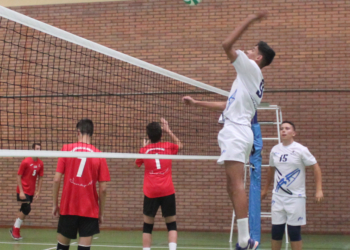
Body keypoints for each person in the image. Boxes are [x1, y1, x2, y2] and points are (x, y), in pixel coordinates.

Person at [182, 11, 275, 250]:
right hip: (236, 131)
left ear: (259, 57)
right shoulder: (246, 79)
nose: (248, 51)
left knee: (236, 185)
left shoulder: (252, 70)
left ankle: (245, 241)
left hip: (237, 132)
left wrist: (251, 18)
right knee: (231, 186)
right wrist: (197, 103)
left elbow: (226, 44)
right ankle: (245, 239)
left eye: (253, 49)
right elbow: (227, 104)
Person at [261, 121, 324, 250]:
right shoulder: (275, 150)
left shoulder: (301, 150)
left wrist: (319, 189)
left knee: (294, 231)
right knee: (276, 231)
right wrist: (266, 189)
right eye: (282, 128)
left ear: (293, 133)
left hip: (296, 197)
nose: (283, 131)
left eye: (287, 128)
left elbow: (316, 167)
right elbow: (271, 169)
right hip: (278, 196)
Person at [52, 119, 110, 250]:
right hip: (89, 209)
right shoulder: (100, 155)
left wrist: (55, 204)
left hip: (68, 206)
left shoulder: (66, 149)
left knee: (62, 246)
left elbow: (56, 180)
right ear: (91, 133)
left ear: (78, 132)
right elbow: (103, 189)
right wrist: (101, 213)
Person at [135, 118, 183, 250]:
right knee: (171, 224)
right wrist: (169, 130)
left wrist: (144, 147)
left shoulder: (144, 151)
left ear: (148, 136)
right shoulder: (168, 146)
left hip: (151, 192)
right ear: (161, 134)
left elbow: (137, 165)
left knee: (147, 225)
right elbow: (181, 145)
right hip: (167, 190)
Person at [10, 143, 44, 240]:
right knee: (27, 208)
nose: (39, 151)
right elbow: (18, 176)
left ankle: (14, 228)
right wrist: (20, 191)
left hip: (31, 191)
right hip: (23, 190)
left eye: (40, 149)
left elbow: (40, 178)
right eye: (37, 149)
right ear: (32, 149)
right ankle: (15, 230)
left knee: (23, 209)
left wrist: (38, 191)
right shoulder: (25, 161)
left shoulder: (40, 163)